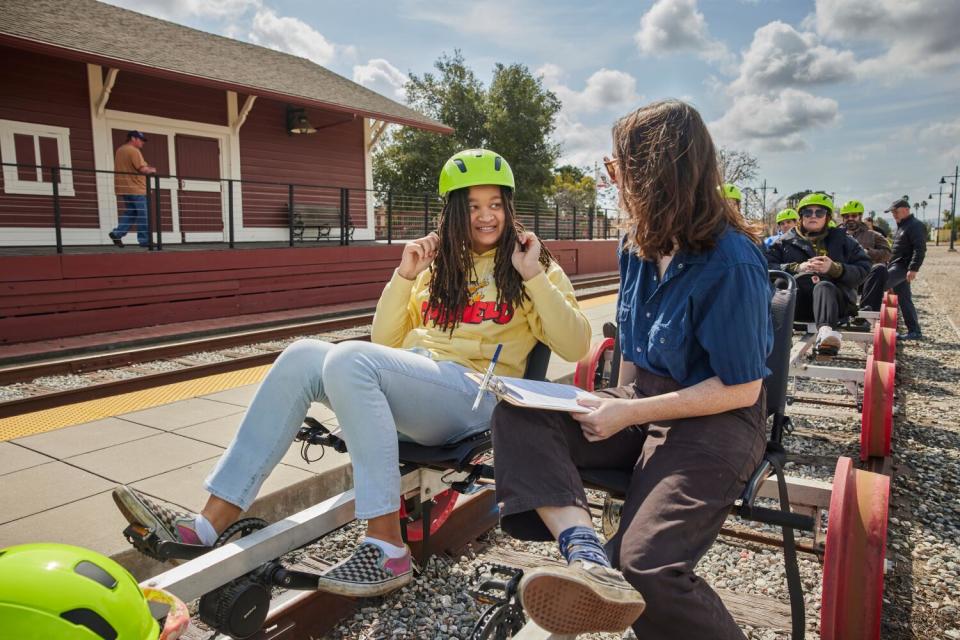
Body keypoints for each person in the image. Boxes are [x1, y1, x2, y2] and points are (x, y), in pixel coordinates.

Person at [111, 149, 591, 598]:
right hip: (420, 382)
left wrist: (532, 276)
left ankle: (386, 545)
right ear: (451, 212)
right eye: (472, 206)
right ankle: (208, 524)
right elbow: (384, 344)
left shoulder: (532, 262)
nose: (486, 216)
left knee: (346, 358)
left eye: (494, 204)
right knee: (302, 354)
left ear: (508, 206)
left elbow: (574, 344)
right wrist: (404, 276)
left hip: (473, 396)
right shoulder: (435, 266)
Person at [492, 101, 773, 638]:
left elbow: (742, 387)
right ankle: (587, 556)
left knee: (646, 570)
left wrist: (631, 413)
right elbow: (632, 358)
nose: (611, 179)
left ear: (654, 173)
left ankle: (620, 571)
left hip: (714, 422)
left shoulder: (732, 260)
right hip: (639, 403)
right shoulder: (637, 244)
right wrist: (614, 405)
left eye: (615, 167)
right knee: (520, 410)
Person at [766, 193, 870, 354]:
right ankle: (777, 334)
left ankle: (826, 334)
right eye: (808, 212)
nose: (813, 216)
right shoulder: (783, 242)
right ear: (801, 216)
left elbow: (864, 269)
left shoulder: (844, 241)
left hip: (833, 304)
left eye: (819, 213)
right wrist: (796, 268)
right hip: (796, 303)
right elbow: (767, 266)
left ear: (827, 217)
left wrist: (835, 269)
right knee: (782, 282)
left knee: (823, 285)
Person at [860, 198, 926, 339]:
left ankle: (865, 316)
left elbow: (920, 249)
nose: (894, 214)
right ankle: (915, 331)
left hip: (902, 266)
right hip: (898, 265)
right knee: (905, 299)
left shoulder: (915, 225)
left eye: (896, 211)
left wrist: (913, 268)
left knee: (878, 283)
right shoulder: (903, 225)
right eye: (892, 212)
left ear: (906, 210)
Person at [840, 200, 891, 310]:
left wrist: (868, 252)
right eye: (846, 216)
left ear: (860, 216)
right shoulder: (833, 234)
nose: (850, 219)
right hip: (841, 275)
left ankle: (867, 310)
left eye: (854, 215)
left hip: (863, 277)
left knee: (880, 268)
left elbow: (888, 254)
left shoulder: (873, 235)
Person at [109, 131, 157, 248]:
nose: (142, 143)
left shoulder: (120, 150)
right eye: (140, 140)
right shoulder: (134, 151)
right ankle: (145, 240)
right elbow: (142, 169)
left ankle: (117, 233)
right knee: (143, 215)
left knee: (131, 212)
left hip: (124, 187)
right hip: (136, 188)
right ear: (133, 138)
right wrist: (152, 170)